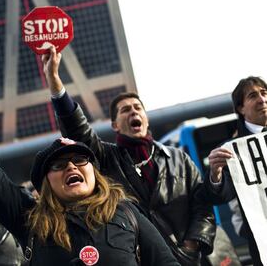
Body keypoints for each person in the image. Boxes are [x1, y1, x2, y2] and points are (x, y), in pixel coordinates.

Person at [0, 76, 180, 266]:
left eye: (79, 160)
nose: (71, 166)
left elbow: (165, 262)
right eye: (59, 165)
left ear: (95, 173)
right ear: (45, 182)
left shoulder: (127, 211)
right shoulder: (29, 218)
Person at [41, 46, 216, 265]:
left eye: (137, 108)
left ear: (146, 118)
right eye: (125, 110)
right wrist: (55, 82)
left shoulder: (179, 159)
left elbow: (203, 206)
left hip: (193, 259)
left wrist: (192, 246)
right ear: (114, 124)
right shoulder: (105, 158)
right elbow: (76, 128)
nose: (133, 111)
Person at [203, 76, 266, 265]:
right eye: (253, 95)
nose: (262, 99)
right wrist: (216, 174)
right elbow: (222, 196)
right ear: (240, 108)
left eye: (264, 93)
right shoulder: (232, 150)